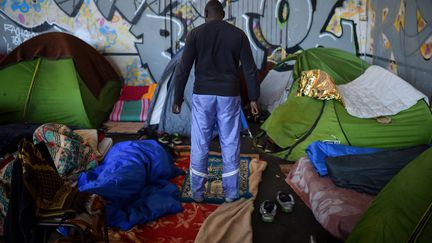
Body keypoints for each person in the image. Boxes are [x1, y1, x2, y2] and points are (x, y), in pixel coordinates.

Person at [173, 0, 260, 202]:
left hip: (203, 95)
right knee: (230, 141)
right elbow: (249, 69)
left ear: (205, 14)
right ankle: (230, 194)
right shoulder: (238, 34)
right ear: (223, 14)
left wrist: (177, 97)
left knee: (200, 142)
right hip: (229, 95)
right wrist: (254, 98)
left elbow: (183, 69)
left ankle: (197, 193)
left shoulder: (195, 34)